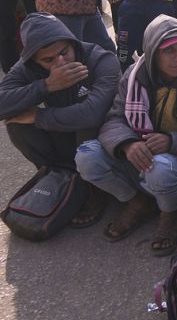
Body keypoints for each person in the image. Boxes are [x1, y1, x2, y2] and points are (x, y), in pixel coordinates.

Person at [75, 15, 177, 256]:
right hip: (139, 155)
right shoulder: (134, 76)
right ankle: (138, 201)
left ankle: (170, 213)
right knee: (86, 157)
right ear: (152, 52)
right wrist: (128, 144)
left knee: (160, 170)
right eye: (169, 51)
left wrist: (173, 142)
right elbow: (114, 119)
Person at [0, 12, 120, 227]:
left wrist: (38, 116)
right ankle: (56, 176)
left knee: (86, 123)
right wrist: (46, 86)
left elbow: (93, 113)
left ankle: (94, 188)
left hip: (97, 142)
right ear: (34, 60)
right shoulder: (27, 68)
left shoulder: (101, 59)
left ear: (72, 43)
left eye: (64, 52)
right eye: (49, 60)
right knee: (16, 123)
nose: (61, 62)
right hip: (62, 138)